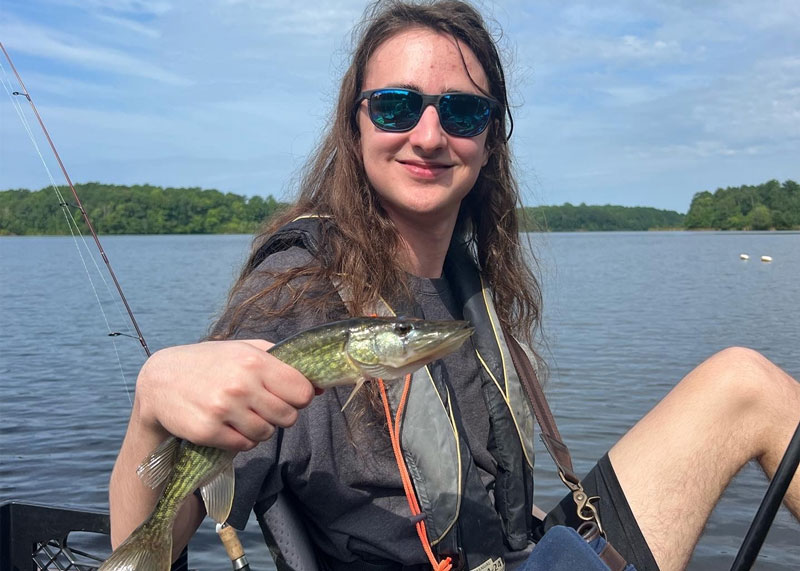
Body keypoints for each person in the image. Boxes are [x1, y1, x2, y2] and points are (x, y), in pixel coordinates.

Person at [108, 1, 800, 570]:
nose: (429, 134)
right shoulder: (295, 292)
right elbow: (153, 545)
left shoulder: (466, 276)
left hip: (517, 555)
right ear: (355, 126)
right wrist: (149, 410)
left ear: (491, 137)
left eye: (462, 112)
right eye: (396, 106)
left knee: (747, 383)